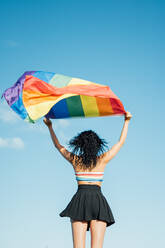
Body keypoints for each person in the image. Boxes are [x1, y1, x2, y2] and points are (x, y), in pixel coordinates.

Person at [43, 111, 132, 248]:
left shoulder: (76, 160)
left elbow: (59, 146)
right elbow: (120, 143)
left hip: (80, 201)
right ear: (97, 145)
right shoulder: (102, 160)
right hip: (98, 202)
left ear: (80, 145)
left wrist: (50, 126)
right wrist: (126, 121)